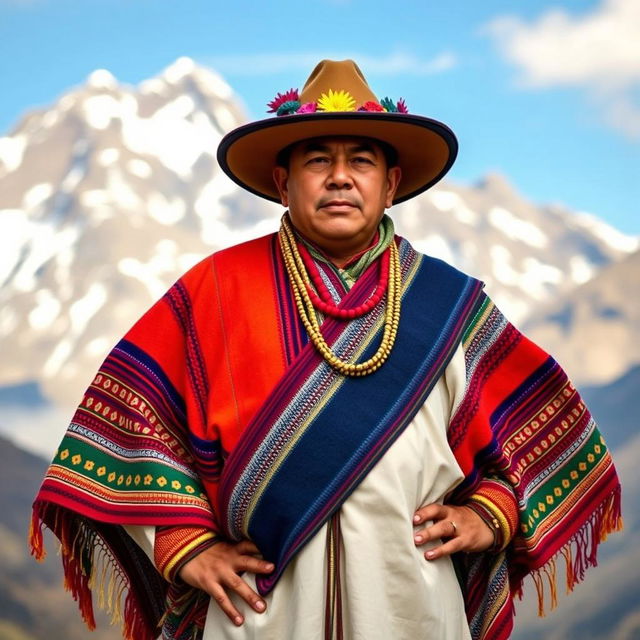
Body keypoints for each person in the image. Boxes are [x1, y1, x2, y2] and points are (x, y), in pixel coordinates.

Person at [30, 60, 622, 640]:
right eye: (318, 160)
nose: (340, 177)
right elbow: (123, 430)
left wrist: (488, 512)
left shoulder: (449, 305)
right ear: (283, 182)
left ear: (390, 184)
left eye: (361, 161)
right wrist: (184, 543)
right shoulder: (214, 291)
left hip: (412, 610)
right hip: (257, 617)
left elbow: (544, 440)